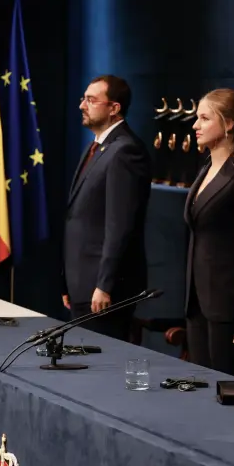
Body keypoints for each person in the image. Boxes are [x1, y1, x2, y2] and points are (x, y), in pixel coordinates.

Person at [62, 75, 151, 340]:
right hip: (82, 284)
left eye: (91, 100)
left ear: (114, 108)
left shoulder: (125, 151)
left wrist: (104, 285)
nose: (82, 105)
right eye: (83, 99)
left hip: (102, 291)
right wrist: (68, 280)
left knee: (98, 369)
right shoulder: (98, 147)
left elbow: (119, 225)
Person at [183, 88, 234, 375]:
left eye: (203, 118)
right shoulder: (205, 167)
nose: (195, 125)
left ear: (228, 124)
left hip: (226, 303)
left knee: (225, 385)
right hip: (197, 300)